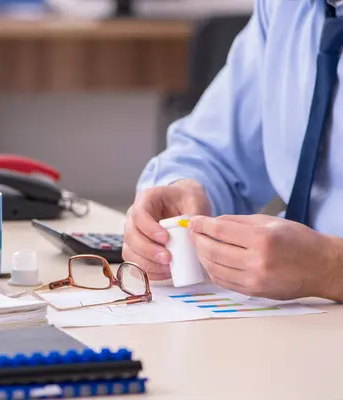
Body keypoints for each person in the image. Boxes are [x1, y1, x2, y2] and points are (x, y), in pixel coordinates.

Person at [123, 0, 343, 302]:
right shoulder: (286, 7)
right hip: (295, 319)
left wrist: (331, 268)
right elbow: (216, 153)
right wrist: (186, 188)